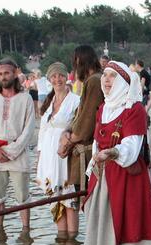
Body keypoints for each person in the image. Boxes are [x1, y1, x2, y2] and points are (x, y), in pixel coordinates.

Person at [78, 61, 151, 245]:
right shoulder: (103, 108)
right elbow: (97, 140)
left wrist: (113, 152)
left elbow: (133, 145)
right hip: (103, 174)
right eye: (104, 75)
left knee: (128, 217)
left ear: (124, 81)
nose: (106, 79)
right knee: (101, 215)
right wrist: (95, 162)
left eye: (112, 76)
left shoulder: (135, 109)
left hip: (126, 175)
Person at [0, 57, 36, 230]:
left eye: (7, 73)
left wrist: (12, 151)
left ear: (15, 73)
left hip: (18, 154)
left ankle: (26, 231)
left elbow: (29, 129)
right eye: (0, 74)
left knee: (23, 198)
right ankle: (0, 233)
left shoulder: (25, 98)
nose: (3, 77)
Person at [36, 62, 81, 237]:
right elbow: (42, 133)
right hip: (48, 157)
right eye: (54, 76)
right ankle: (61, 238)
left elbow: (79, 128)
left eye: (61, 75)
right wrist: (39, 159)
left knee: (69, 199)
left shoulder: (76, 100)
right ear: (49, 79)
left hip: (66, 158)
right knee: (55, 200)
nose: (57, 79)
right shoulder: (48, 103)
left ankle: (72, 240)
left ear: (66, 76)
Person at [58, 45, 104, 198]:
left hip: (87, 151)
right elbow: (80, 114)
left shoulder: (95, 81)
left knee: (89, 201)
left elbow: (89, 118)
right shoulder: (92, 80)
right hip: (82, 148)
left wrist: (70, 140)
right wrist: (67, 132)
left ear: (80, 60)